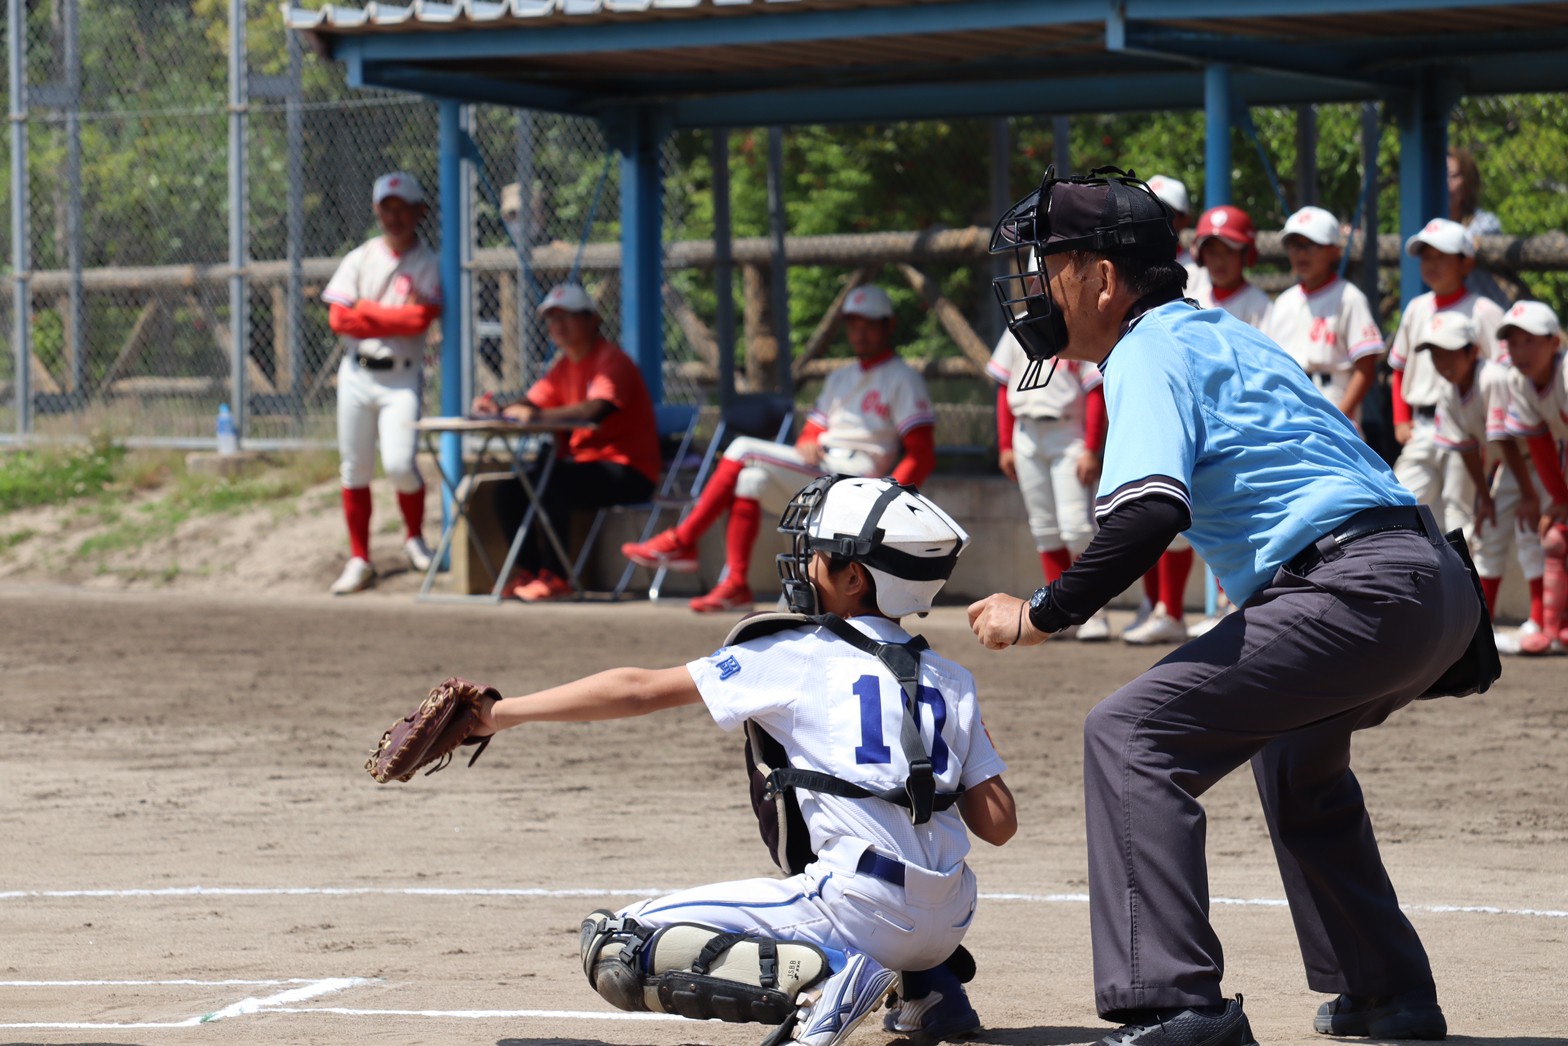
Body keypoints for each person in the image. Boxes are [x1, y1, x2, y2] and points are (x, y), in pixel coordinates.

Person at [970, 164, 1480, 1046]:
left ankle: (1178, 1006)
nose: (1033, 287)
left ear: (1102, 277)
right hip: (1431, 582)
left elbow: (1149, 514)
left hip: (1356, 584)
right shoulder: (1223, 333)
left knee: (1131, 734)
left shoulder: (1146, 349)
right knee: (1296, 757)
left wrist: (1043, 611)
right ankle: (1388, 991)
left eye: (1047, 265)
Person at [465, 475, 1016, 1046]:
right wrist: (959, 735)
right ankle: (932, 991)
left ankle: (826, 985)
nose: (805, 565)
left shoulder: (796, 653)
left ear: (854, 578)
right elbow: (999, 825)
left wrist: (499, 714)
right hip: (952, 917)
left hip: (859, 906)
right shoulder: (953, 678)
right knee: (895, 849)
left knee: (616, 941)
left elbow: (637, 690)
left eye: (817, 554)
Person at [623, 285, 937, 613]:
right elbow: (811, 431)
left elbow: (922, 453)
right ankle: (735, 584)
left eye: (869, 324)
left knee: (743, 449)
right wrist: (807, 441)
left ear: (889, 325)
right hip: (823, 470)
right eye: (853, 324)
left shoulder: (904, 379)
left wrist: (887, 500)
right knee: (751, 480)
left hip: (858, 479)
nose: (860, 333)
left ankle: (682, 540)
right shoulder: (840, 377)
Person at [471, 283, 660, 601]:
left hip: (629, 470)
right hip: (583, 467)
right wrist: (499, 409)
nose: (558, 325)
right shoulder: (563, 366)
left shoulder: (613, 361)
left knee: (553, 484)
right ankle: (529, 573)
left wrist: (537, 416)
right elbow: (532, 402)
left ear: (591, 319)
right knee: (509, 491)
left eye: (567, 316)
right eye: (552, 318)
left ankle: (556, 577)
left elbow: (595, 410)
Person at [323, 171, 443, 596]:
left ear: (419, 211)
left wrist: (366, 310)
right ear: (376, 211)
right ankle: (360, 558)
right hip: (357, 373)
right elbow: (338, 319)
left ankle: (414, 538)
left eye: (402, 209)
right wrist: (394, 316)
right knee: (354, 467)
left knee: (398, 464)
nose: (394, 217)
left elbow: (420, 320)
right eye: (386, 209)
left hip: (402, 374)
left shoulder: (428, 262)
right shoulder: (360, 257)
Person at [1418, 311, 1544, 655]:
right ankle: (1482, 622)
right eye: (1435, 354)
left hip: (1536, 458)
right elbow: (1467, 448)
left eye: (1449, 352)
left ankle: (1541, 620)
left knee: (1532, 533)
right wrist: (1484, 496)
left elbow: (1507, 441)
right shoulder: (1449, 389)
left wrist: (1529, 495)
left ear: (1472, 351)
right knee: (1490, 530)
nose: (1442, 362)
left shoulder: (1492, 377)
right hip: (1512, 465)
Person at [986, 317, 1112, 641]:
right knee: (1045, 528)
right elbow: (1004, 385)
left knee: (1077, 527)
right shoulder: (1017, 327)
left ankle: (1093, 611)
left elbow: (1095, 390)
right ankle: (1060, 613)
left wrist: (1091, 448)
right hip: (1025, 432)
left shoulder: (1076, 322)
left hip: (1067, 432)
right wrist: (1004, 444)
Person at [1385, 219, 1505, 532]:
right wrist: (1400, 418)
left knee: (1460, 517)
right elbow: (1400, 367)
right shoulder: (1416, 308)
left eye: (1442, 257)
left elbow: (1505, 379)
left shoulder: (1484, 310)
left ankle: (1466, 567)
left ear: (1466, 263)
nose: (1432, 264)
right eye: (1426, 257)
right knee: (1400, 504)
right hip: (1422, 425)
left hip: (1467, 428)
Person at [1186, 204, 1272, 637]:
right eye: (1212, 250)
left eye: (1229, 250)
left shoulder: (1260, 304)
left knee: (1243, 513)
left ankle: (1236, 607)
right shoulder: (1188, 295)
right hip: (1199, 415)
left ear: (1247, 254)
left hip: (1244, 419)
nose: (1219, 259)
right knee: (1205, 517)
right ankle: (1220, 607)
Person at [1126, 174, 1203, 646]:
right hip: (1147, 389)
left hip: (1186, 396)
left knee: (1173, 512)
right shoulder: (1129, 266)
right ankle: (1155, 604)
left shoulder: (1194, 270)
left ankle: (1170, 609)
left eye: (1166, 213)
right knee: (1136, 502)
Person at [1261, 205, 1386, 428]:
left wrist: (1339, 418)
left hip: (1332, 398)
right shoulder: (1283, 302)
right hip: (1287, 406)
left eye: (1310, 245)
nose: (1301, 254)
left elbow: (1365, 369)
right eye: (1294, 245)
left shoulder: (1350, 297)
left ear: (1334, 250)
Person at [1498, 300, 1568, 655]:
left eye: (1530, 341)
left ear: (1555, 343)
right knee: (1555, 536)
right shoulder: (1519, 381)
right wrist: (1559, 499)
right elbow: (1539, 444)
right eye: (1513, 342)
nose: (1520, 351)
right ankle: (1554, 630)